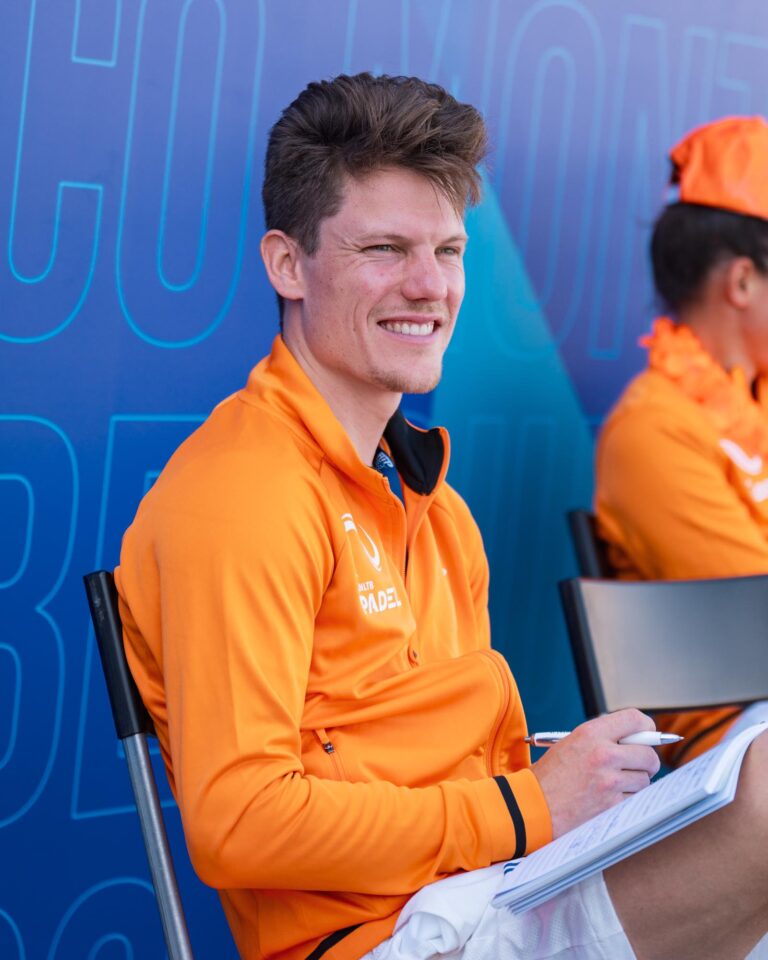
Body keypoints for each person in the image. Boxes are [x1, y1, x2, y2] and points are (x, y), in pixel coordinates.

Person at [115, 77, 768, 960]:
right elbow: (239, 822)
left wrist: (563, 780)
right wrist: (530, 803)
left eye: (449, 251)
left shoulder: (434, 503)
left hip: (499, 888)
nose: (429, 286)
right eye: (385, 248)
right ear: (287, 264)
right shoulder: (243, 489)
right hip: (382, 938)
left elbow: (442, 767)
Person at [595, 116, 768, 764]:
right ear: (742, 282)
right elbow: (756, 618)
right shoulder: (652, 429)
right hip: (736, 742)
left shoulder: (755, 396)